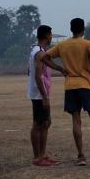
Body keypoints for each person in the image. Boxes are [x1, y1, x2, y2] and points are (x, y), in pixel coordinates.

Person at [43, 18, 90, 166]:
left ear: (71, 29)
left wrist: (60, 69)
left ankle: (81, 156)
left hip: (70, 86)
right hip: (85, 84)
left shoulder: (62, 45)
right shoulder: (87, 44)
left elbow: (45, 57)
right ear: (83, 30)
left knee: (76, 120)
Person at [28, 25, 66, 166]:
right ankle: (37, 157)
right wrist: (44, 96)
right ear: (47, 35)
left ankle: (42, 155)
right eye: (50, 35)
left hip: (42, 92)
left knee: (46, 122)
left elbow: (48, 62)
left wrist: (61, 69)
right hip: (39, 94)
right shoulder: (38, 52)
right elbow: (38, 76)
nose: (51, 37)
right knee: (39, 124)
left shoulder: (40, 51)